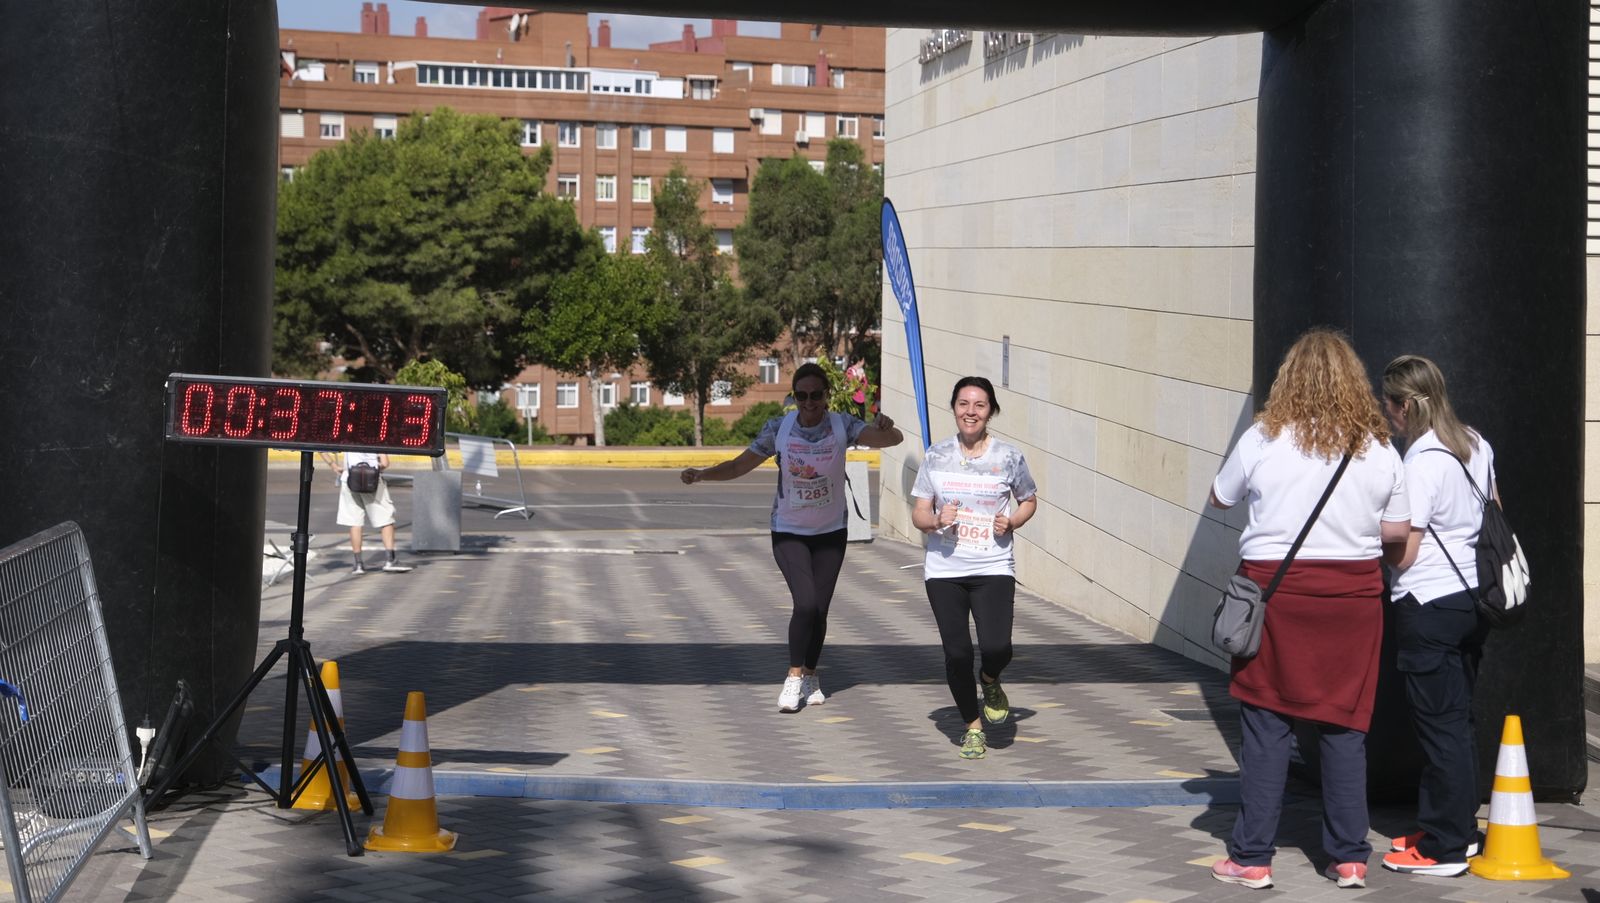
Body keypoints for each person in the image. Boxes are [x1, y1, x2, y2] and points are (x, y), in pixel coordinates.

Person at [1207, 329, 1410, 891]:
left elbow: (1221, 496)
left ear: (1288, 379)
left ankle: (1252, 858)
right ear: (1354, 381)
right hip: (1353, 598)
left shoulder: (1263, 438)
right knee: (1345, 726)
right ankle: (1347, 857)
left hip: (1275, 594)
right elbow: (1396, 528)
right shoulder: (1376, 446)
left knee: (1267, 723)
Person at [681, 362, 903, 712]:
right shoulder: (779, 429)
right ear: (794, 398)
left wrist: (886, 428)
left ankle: (812, 674)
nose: (810, 402)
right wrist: (703, 475)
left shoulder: (842, 425)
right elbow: (740, 465)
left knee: (821, 609)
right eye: (802, 395)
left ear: (827, 396)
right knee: (806, 604)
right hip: (789, 531)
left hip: (831, 532)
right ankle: (794, 676)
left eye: (816, 395)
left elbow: (890, 440)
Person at [1378, 355, 1495, 878]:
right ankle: (1456, 828)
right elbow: (1492, 510)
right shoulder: (1475, 442)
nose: (1386, 414)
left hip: (1427, 605)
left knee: (1439, 727)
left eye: (1387, 405)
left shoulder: (1421, 462)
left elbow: (1406, 549)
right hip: (1474, 600)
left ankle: (1444, 848)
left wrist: (1372, 541)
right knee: (1458, 721)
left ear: (1403, 407)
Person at [908, 377, 1036, 760]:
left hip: (993, 564)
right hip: (945, 569)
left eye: (979, 405)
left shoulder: (1009, 457)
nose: (970, 411)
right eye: (963, 403)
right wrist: (933, 520)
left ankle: (991, 679)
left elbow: (1029, 499)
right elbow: (918, 512)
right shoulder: (936, 455)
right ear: (953, 408)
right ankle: (972, 727)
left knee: (998, 647)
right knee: (958, 652)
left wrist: (1012, 521)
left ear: (990, 411)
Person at [322, 451, 411, 575]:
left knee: (355, 522)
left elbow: (322, 449)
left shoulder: (347, 435)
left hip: (349, 479)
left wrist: (333, 465)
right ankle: (390, 560)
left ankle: (358, 564)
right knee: (386, 520)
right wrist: (376, 467)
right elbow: (385, 463)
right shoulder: (377, 435)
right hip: (372, 480)